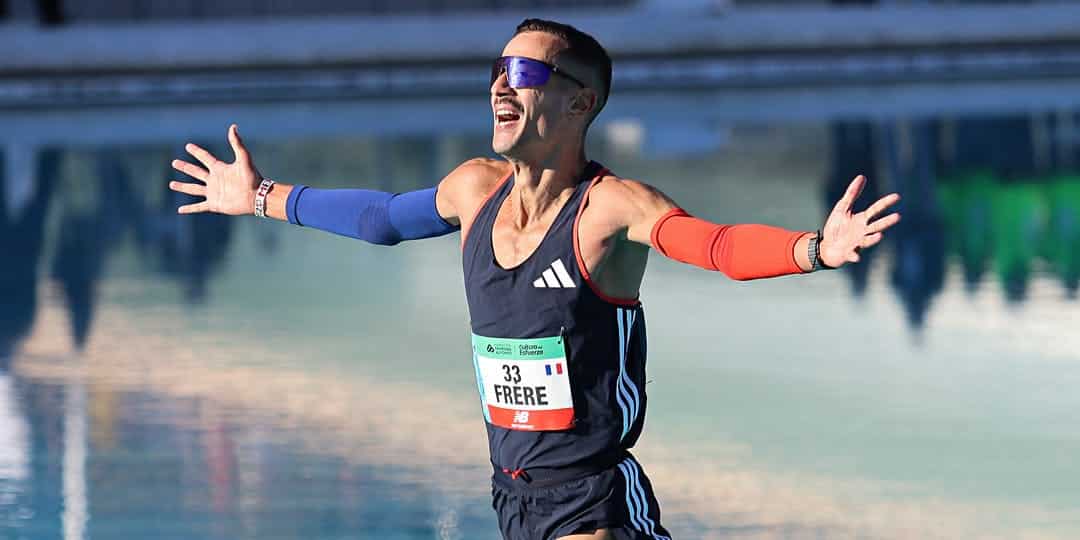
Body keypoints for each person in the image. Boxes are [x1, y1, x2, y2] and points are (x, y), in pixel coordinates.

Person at [168, 18, 900, 540]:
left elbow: (713, 246)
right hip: (510, 496)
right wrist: (260, 198)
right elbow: (383, 219)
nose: (501, 87)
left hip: (593, 501)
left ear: (579, 102)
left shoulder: (608, 210)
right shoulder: (473, 190)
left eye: (524, 74)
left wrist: (815, 249)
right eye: (497, 71)